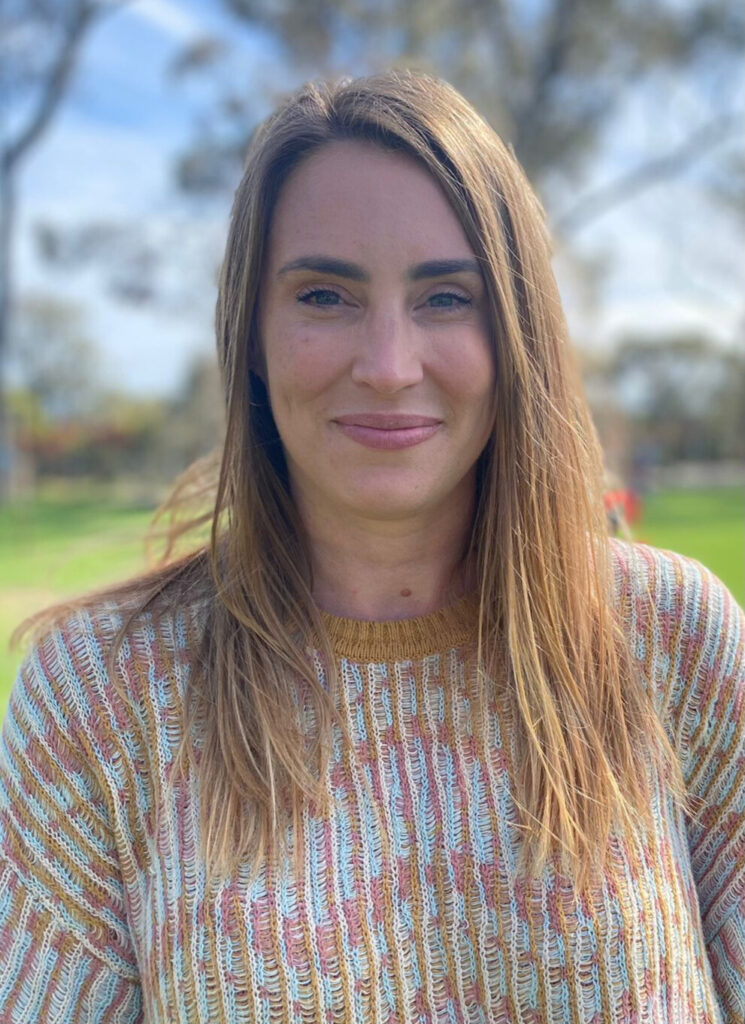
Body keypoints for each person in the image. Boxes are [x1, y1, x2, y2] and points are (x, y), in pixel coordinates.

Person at [0, 69, 743, 1024]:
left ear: (517, 331)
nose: (389, 366)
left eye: (444, 298)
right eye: (323, 295)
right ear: (252, 336)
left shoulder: (671, 640)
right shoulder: (96, 702)